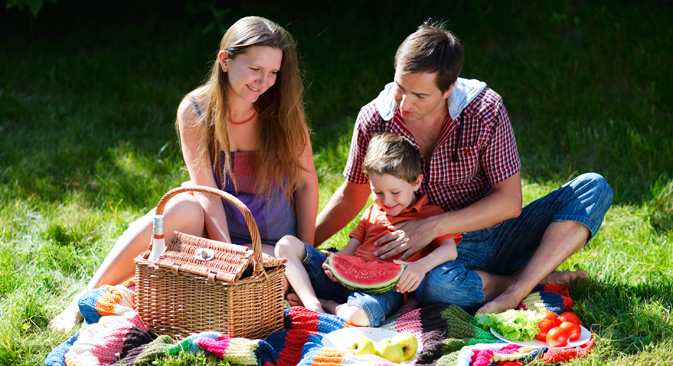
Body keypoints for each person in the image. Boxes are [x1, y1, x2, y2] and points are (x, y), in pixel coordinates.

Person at [314, 20, 613, 315]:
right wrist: (303, 243)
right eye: (400, 88)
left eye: (420, 95)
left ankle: (515, 292)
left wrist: (431, 227)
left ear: (448, 89)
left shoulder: (485, 110)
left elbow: (510, 202)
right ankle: (529, 280)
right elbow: (352, 195)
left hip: (500, 233)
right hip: (442, 254)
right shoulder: (374, 119)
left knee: (594, 187)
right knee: (436, 287)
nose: (405, 103)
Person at [49, 16, 319, 333]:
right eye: (255, 69)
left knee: (268, 275)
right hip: (215, 225)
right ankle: (81, 299)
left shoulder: (282, 110)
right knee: (177, 208)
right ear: (225, 61)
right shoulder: (195, 109)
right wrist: (228, 258)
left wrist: (306, 255)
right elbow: (206, 192)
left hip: (269, 239)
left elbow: (305, 182)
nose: (265, 81)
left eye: (273, 72)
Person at [276, 133, 461, 327]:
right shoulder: (372, 211)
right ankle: (312, 304)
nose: (387, 201)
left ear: (416, 182)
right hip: (344, 278)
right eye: (378, 192)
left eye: (395, 192)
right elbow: (351, 249)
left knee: (359, 317)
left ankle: (328, 305)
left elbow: (450, 249)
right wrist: (335, 264)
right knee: (286, 244)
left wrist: (421, 267)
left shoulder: (432, 215)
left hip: (386, 290)